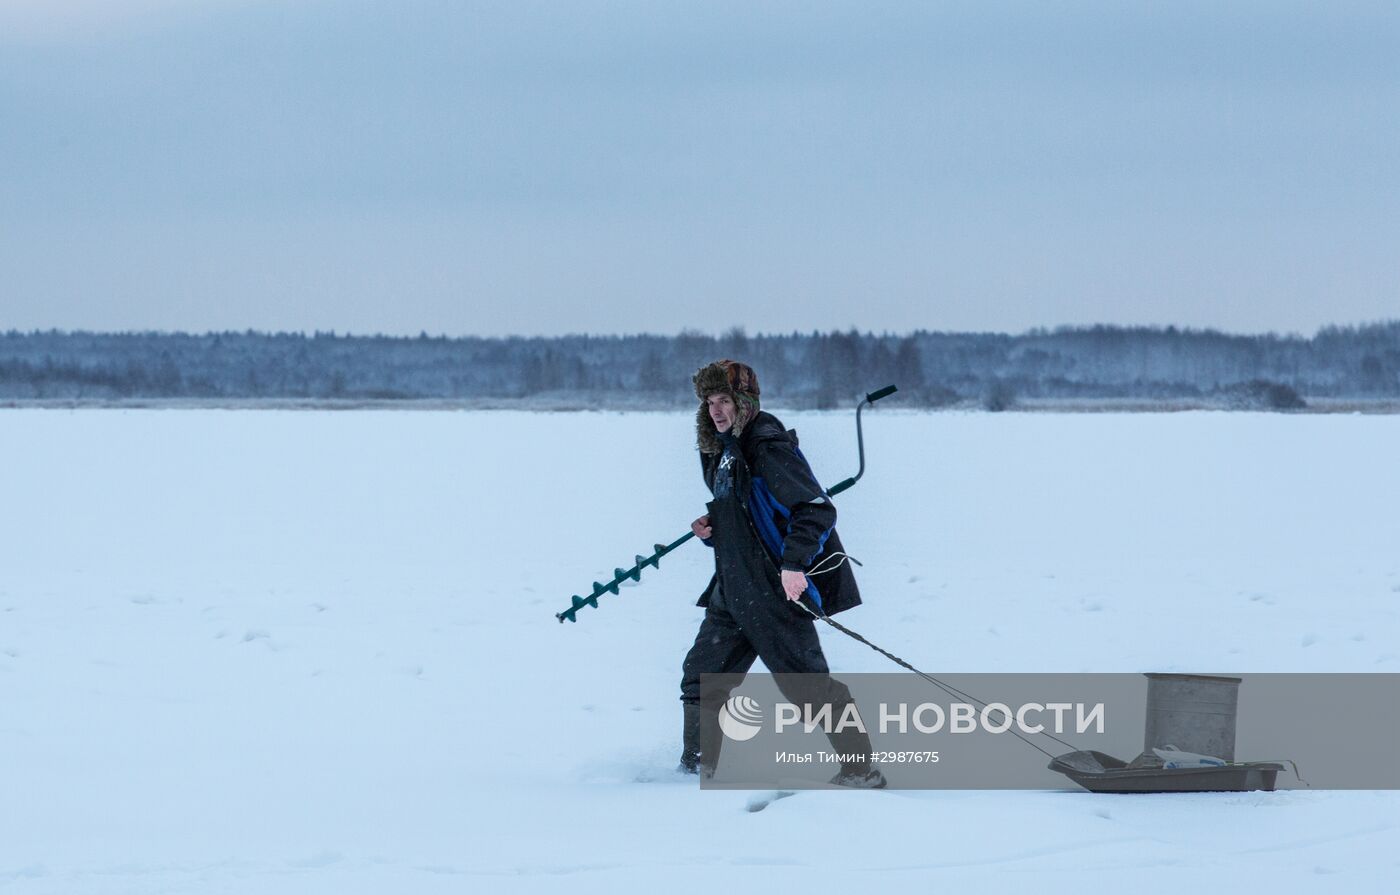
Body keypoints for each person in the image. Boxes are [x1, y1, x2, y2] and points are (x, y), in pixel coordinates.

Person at [678, 359, 885, 788]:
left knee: (808, 690)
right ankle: (696, 770)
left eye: (725, 401)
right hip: (731, 591)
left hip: (772, 591)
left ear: (745, 402)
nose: (716, 410)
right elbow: (752, 515)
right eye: (710, 401)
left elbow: (815, 509)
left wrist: (794, 565)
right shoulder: (721, 451)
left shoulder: (767, 446)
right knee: (701, 678)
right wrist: (715, 531)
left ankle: (862, 771)